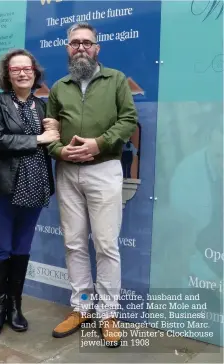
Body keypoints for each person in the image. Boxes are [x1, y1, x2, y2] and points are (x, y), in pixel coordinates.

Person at [47, 22, 138, 347]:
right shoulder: (59, 87)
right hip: (68, 173)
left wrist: (98, 144)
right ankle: (82, 306)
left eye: (87, 42)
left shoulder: (115, 80)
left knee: (106, 244)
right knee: (73, 243)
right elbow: (50, 130)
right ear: (67, 48)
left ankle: (108, 314)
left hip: (104, 169)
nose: (81, 47)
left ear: (97, 48)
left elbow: (128, 119)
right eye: (75, 43)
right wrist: (60, 151)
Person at [0, 49, 60, 337]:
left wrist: (56, 131)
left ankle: (15, 306)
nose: (23, 73)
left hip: (36, 185)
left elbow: (54, 140)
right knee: (0, 247)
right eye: (16, 69)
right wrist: (39, 138)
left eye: (27, 68)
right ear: (7, 75)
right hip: (2, 187)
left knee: (22, 248)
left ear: (35, 73)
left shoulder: (43, 106)